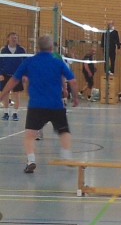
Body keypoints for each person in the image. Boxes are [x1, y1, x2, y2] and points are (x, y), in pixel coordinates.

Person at [0, 33, 78, 173]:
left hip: (36, 105)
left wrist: (2, 94)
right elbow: (72, 81)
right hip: (56, 105)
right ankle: (67, 156)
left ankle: (31, 160)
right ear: (51, 47)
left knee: (30, 134)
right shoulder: (58, 62)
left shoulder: (29, 62)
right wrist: (76, 98)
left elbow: (13, 80)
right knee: (64, 131)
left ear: (38, 47)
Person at [1, 31, 27, 121]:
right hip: (6, 75)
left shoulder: (21, 50)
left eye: (15, 37)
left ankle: (15, 113)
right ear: (8, 38)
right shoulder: (3, 50)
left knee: (16, 94)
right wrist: (0, 74)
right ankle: (6, 113)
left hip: (17, 75)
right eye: (12, 37)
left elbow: (25, 63)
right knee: (5, 94)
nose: (14, 39)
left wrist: (24, 74)